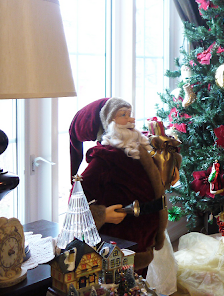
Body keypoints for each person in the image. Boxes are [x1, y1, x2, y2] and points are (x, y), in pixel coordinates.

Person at [69, 98, 170, 272]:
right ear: (110, 122)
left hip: (145, 241)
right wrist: (102, 215)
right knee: (119, 286)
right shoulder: (104, 158)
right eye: (123, 115)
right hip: (120, 245)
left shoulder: (139, 152)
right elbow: (77, 199)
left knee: (137, 286)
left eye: (130, 114)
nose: (131, 120)